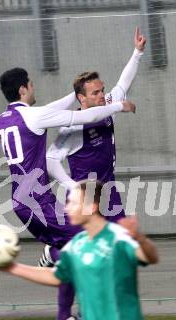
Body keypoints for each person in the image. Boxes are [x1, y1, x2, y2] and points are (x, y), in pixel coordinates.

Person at [0, 68, 136, 320]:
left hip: (25, 201)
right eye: (31, 84)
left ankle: (65, 317)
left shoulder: (5, 118)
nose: (34, 88)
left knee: (76, 252)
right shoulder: (35, 116)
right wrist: (119, 106)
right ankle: (88, 308)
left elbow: (52, 107)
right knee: (89, 245)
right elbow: (88, 115)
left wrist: (75, 94)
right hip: (38, 202)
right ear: (23, 90)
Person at [0, 179, 159, 320]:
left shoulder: (119, 238)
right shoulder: (76, 246)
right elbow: (57, 277)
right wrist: (12, 268)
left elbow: (149, 257)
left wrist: (141, 238)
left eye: (72, 202)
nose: (66, 207)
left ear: (91, 207)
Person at [46, 27, 146, 222]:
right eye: (95, 93)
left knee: (120, 242)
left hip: (109, 191)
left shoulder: (108, 105)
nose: (102, 95)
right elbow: (50, 159)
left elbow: (123, 83)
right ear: (81, 98)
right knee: (79, 248)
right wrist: (72, 187)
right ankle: (51, 253)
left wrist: (137, 52)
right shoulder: (72, 127)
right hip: (85, 198)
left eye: (102, 90)